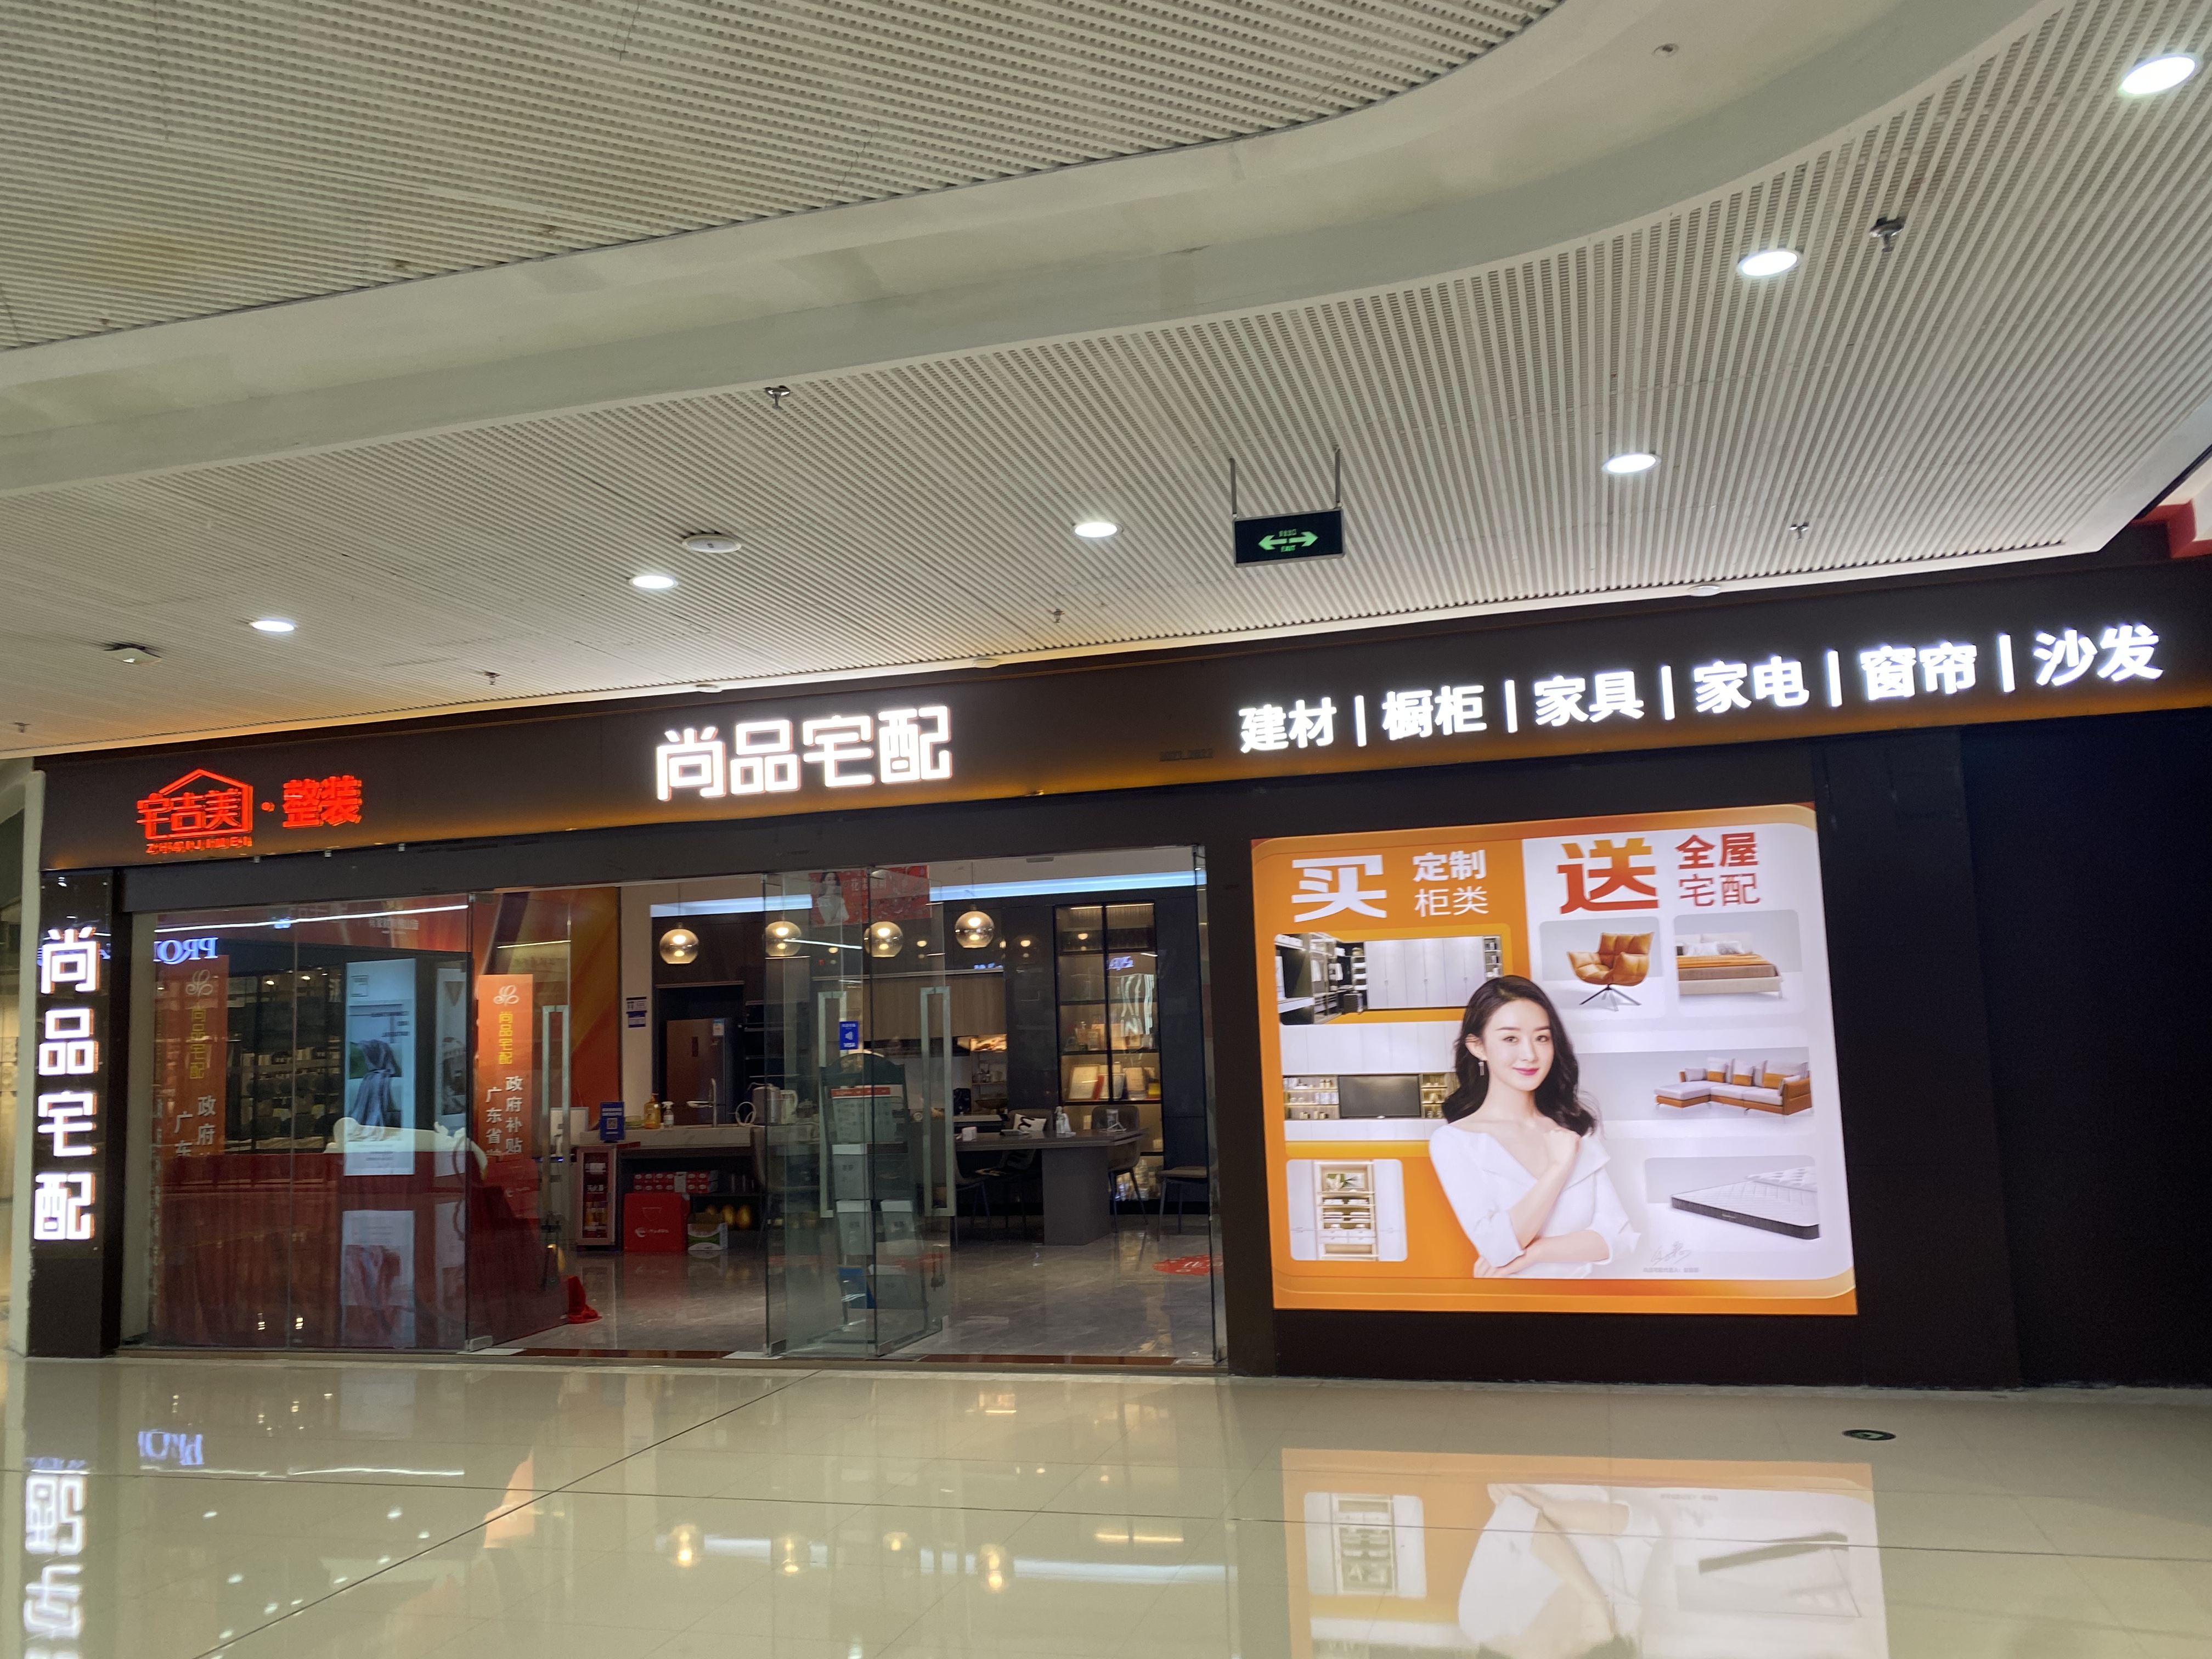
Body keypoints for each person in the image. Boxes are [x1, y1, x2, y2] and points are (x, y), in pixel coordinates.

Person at [1429, 976, 1637, 1277]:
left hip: (1583, 1300)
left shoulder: (1574, 1128)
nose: (1530, 1054)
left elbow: (1620, 1238)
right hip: (1511, 1303)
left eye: (1542, 1038)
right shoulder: (1455, 1141)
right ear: (1478, 1047)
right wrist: (1558, 1168)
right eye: (1510, 1039)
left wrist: (1535, 1252)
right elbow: (1498, 1248)